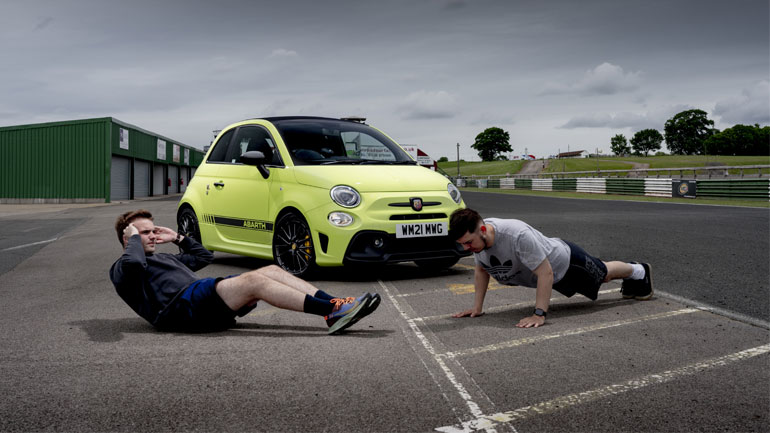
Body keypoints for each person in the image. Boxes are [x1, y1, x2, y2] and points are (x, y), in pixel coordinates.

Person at [110, 209, 380, 334]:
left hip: (201, 298)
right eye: (145, 233)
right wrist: (133, 237)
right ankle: (331, 311)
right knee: (254, 281)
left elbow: (204, 256)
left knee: (271, 270)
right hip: (180, 308)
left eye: (152, 231)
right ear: (127, 238)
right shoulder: (123, 267)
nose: (152, 237)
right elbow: (133, 264)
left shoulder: (166, 258)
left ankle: (335, 305)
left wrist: (177, 237)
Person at [448, 208, 652, 328]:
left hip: (569, 262)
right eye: (462, 244)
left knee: (604, 274)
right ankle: (634, 274)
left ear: (482, 229)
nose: (467, 249)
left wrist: (539, 314)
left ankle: (639, 271)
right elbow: (482, 270)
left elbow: (545, 273)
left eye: (468, 242)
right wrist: (477, 308)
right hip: (553, 273)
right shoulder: (477, 243)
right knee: (603, 273)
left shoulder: (516, 235)